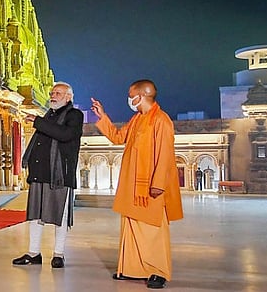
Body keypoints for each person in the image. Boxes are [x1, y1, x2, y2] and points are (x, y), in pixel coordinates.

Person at [91, 80, 183, 290]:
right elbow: (117, 137)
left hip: (150, 187)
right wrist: (102, 117)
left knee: (153, 229)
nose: (129, 99)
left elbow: (165, 154)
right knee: (131, 227)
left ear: (140, 96)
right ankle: (133, 269)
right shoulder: (136, 119)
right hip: (132, 186)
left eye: (130, 95)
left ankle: (158, 272)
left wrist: (158, 184)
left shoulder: (161, 120)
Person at [12, 82, 84, 269]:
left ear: (68, 97)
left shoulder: (74, 115)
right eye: (52, 93)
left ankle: (58, 254)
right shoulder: (49, 115)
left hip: (60, 174)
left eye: (58, 93)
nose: (53, 95)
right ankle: (33, 253)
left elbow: (64, 134)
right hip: (40, 172)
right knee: (36, 215)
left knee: (60, 215)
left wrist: (37, 121)